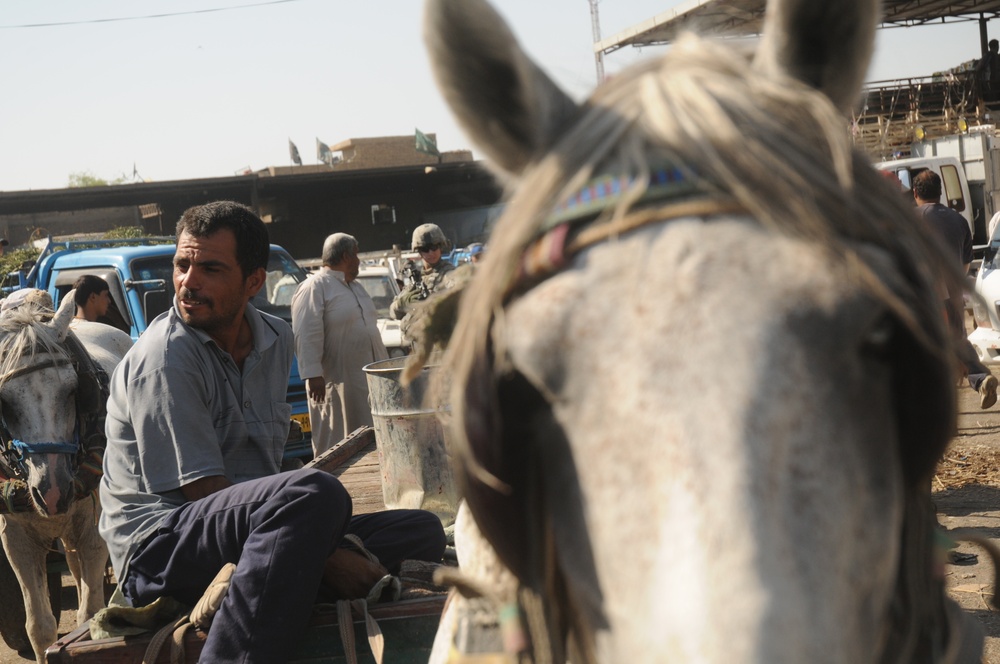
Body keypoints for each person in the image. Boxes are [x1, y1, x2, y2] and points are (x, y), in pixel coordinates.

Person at [98, 201, 446, 663]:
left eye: (210, 268)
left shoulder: (276, 340)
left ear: (254, 282)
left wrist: (318, 539)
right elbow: (200, 492)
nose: (188, 281)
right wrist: (329, 555)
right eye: (183, 265)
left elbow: (266, 476)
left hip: (253, 529)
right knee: (316, 495)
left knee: (420, 528)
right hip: (160, 548)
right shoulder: (164, 359)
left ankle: (278, 571)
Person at [291, 233, 387, 456]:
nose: (359, 260)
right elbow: (306, 333)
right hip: (335, 382)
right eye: (356, 254)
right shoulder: (314, 287)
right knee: (338, 441)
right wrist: (313, 374)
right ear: (346, 256)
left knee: (371, 435)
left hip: (368, 381)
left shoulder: (356, 288)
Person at [913, 170, 999, 408]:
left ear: (915, 193)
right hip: (952, 298)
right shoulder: (959, 220)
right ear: (941, 193)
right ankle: (981, 379)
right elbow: (963, 267)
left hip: (921, 297)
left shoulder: (908, 219)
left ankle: (938, 406)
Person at [389, 223, 457, 321]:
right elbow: (393, 313)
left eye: (434, 247)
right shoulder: (417, 279)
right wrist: (403, 303)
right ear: (419, 251)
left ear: (440, 246)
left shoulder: (450, 274)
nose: (430, 253)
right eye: (425, 249)